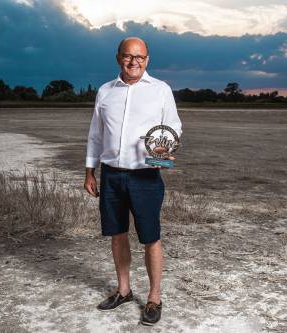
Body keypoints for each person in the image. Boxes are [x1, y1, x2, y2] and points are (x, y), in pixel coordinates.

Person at [84, 36, 182, 326]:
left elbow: (174, 126)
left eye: (140, 57)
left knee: (150, 238)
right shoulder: (105, 91)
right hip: (111, 174)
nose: (134, 62)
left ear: (147, 60)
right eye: (128, 56)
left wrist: (166, 147)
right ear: (118, 58)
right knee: (117, 234)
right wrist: (90, 170)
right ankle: (124, 290)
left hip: (145, 175)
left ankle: (154, 298)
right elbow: (95, 135)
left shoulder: (161, 90)